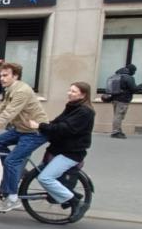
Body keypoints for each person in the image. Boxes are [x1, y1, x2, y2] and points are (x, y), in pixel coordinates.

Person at [27, 82, 96, 215]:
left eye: (73, 91)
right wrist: (43, 126)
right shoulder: (72, 107)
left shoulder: (85, 112)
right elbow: (57, 122)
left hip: (70, 153)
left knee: (45, 178)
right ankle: (68, 195)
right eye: (69, 90)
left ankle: (75, 202)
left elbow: (65, 129)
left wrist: (40, 126)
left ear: (83, 95)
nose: (69, 93)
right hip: (59, 149)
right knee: (40, 174)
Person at [0, 62, 48, 213]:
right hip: (21, 130)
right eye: (0, 75)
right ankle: (17, 170)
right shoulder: (11, 89)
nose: (1, 78)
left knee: (11, 161)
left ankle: (13, 198)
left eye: (5, 75)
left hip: (34, 133)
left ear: (15, 76)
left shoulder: (22, 91)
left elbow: (9, 113)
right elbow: (1, 108)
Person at [109, 64, 142, 138]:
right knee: (119, 116)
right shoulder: (129, 78)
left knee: (117, 115)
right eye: (134, 71)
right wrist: (141, 86)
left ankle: (118, 130)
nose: (134, 72)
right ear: (131, 70)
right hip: (123, 99)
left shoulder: (117, 76)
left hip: (114, 99)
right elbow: (134, 89)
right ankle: (116, 132)